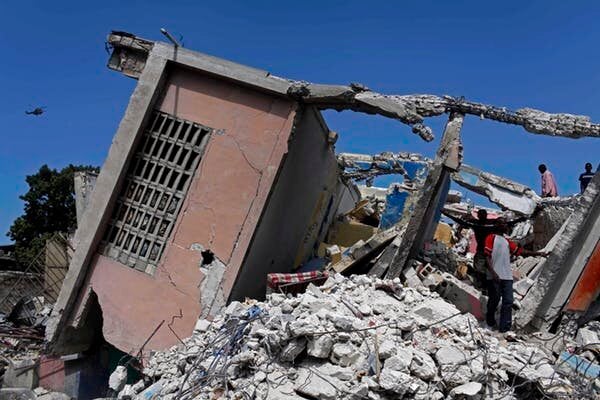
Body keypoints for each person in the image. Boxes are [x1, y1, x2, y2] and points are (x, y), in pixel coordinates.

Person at [484, 225, 546, 333]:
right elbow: (487, 256)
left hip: (507, 276)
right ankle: (489, 322)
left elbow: (521, 251)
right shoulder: (491, 237)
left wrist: (539, 253)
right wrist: (493, 273)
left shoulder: (507, 241)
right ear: (497, 225)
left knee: (508, 301)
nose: (505, 225)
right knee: (494, 300)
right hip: (495, 276)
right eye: (502, 223)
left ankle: (504, 328)